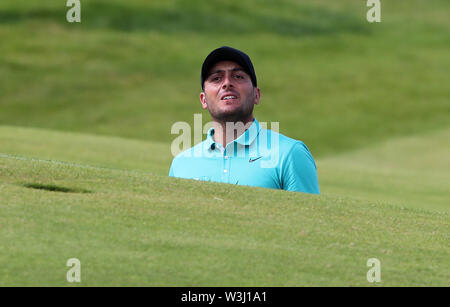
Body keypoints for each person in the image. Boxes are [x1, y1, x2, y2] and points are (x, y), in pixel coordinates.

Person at [169, 46, 320, 194]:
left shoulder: (289, 154)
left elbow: (308, 217)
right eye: (216, 78)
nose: (227, 83)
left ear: (256, 94)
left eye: (238, 76)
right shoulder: (181, 164)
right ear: (203, 100)